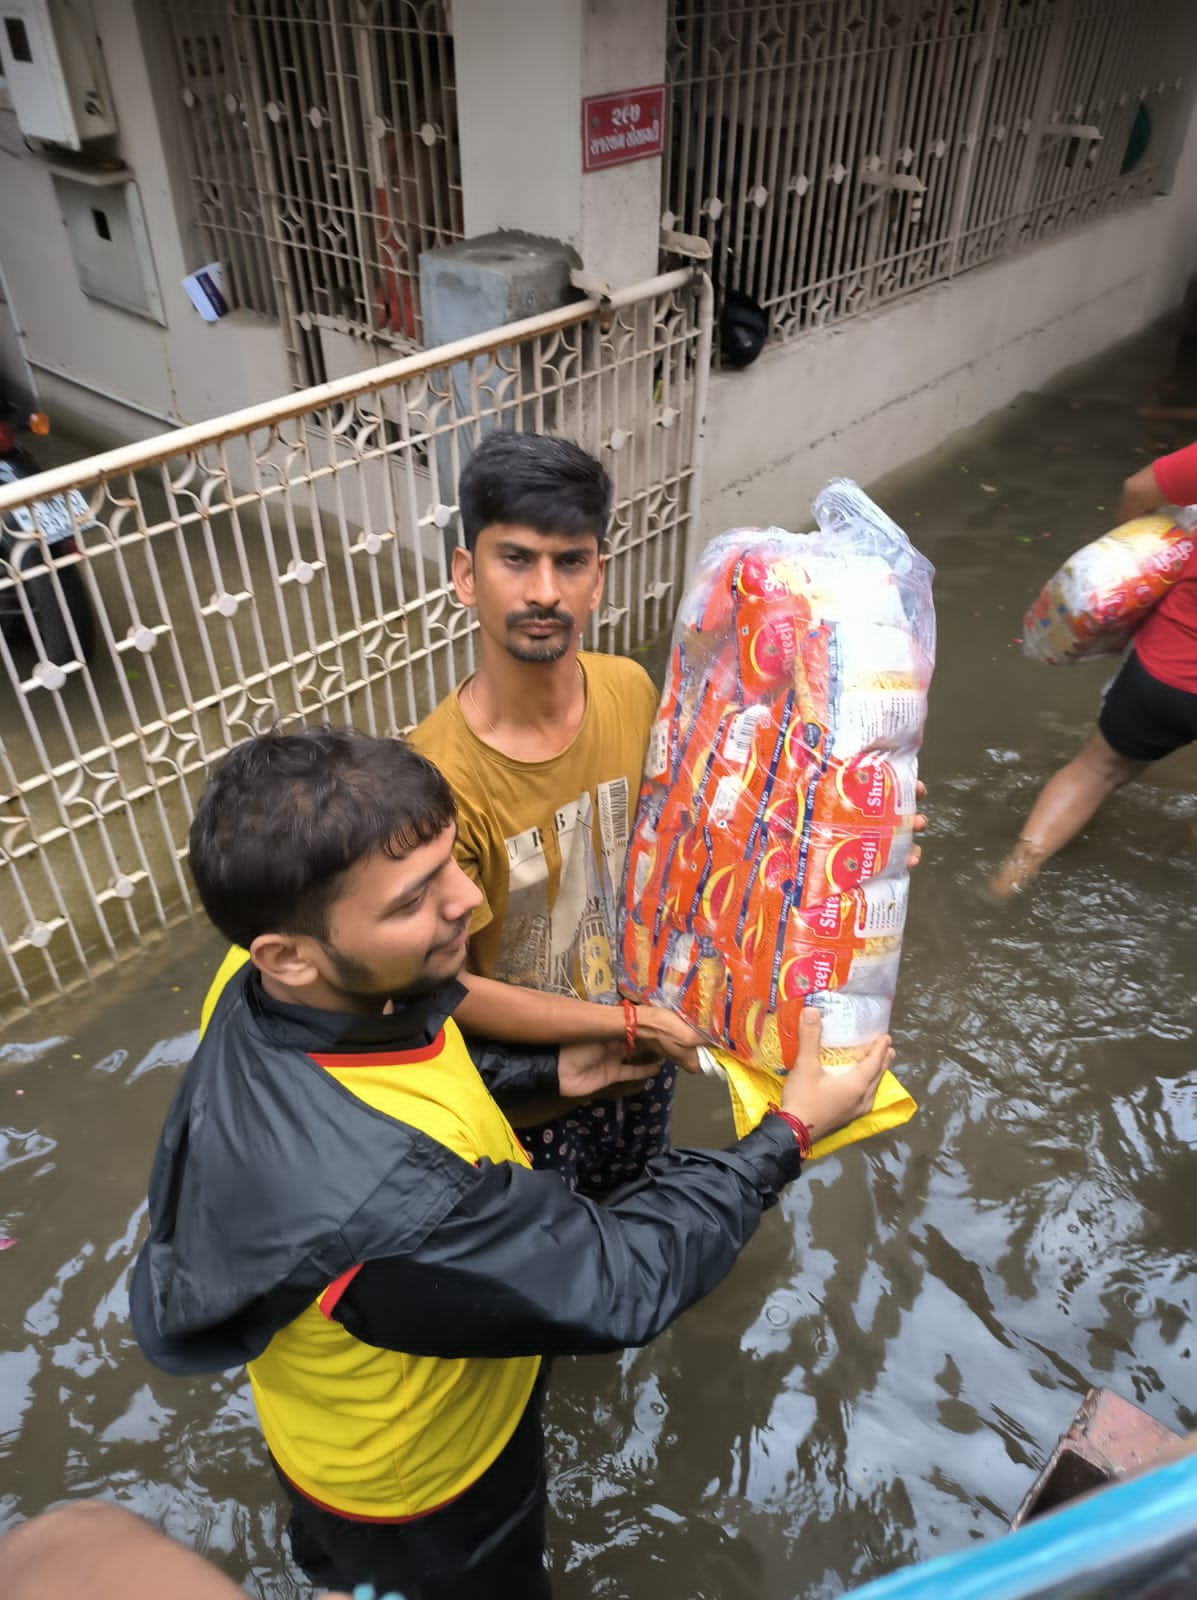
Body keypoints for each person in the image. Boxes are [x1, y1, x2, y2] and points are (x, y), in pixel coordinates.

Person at [130, 726, 893, 1600]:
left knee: (344, 1574)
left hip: (326, 1427)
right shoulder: (384, 1208)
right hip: (426, 1489)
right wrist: (788, 1131)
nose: (471, 904)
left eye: (454, 864)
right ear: (290, 955)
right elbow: (621, 1282)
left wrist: (556, 1073)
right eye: (414, 901)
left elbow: (404, 1060)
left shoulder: (253, 983)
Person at [409, 432, 704, 1196]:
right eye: (516, 559)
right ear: (465, 576)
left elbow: (690, 845)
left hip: (641, 1063)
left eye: (569, 561)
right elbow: (450, 988)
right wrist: (626, 1027)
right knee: (547, 1282)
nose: (544, 591)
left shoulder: (630, 689)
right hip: (529, 1094)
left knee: (640, 1233)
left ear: (597, 579)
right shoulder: (429, 778)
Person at [991, 438, 1197, 896]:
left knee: (1096, 768)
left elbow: (1139, 489)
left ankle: (1010, 878)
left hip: (1166, 670)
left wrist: (1134, 549)